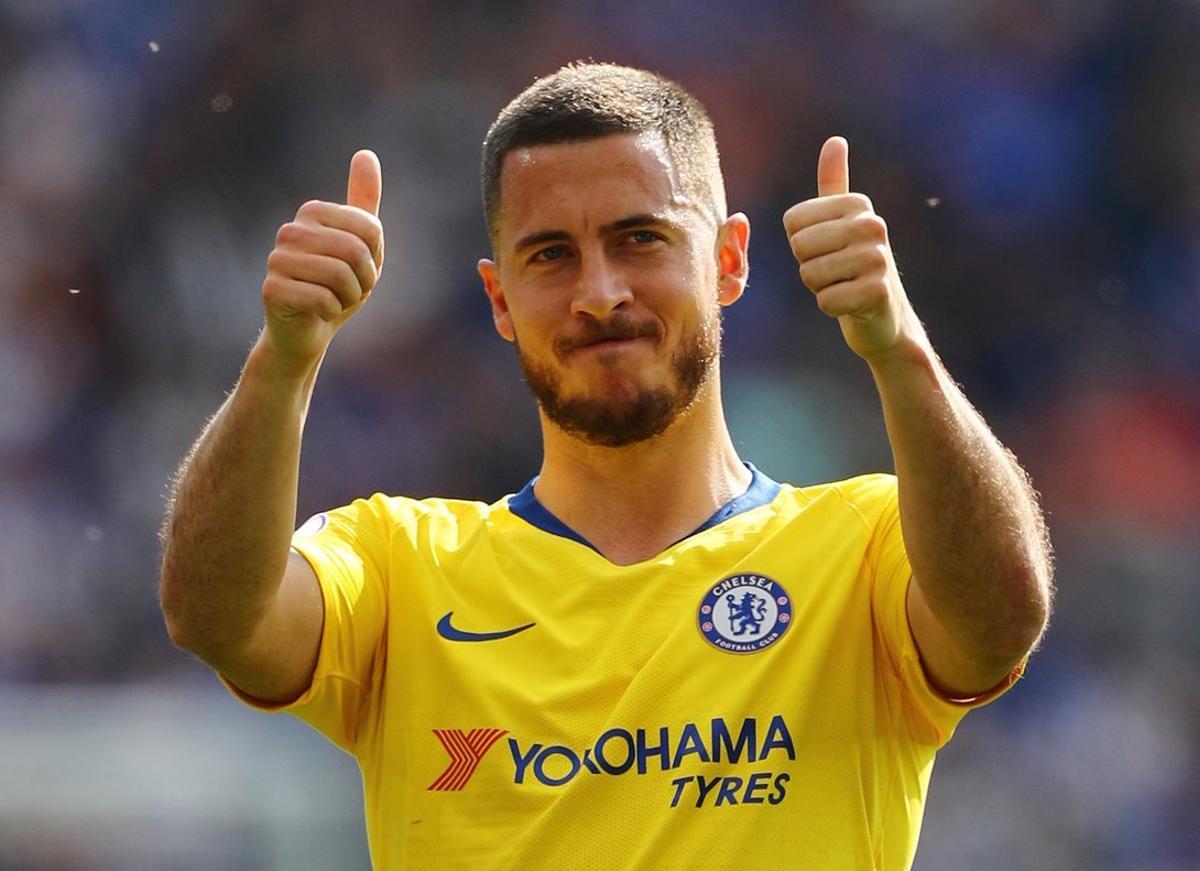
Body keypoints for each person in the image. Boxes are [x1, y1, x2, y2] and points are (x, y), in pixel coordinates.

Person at [160, 62, 1053, 870]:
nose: (599, 293)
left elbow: (1001, 615)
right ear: (500, 299)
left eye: (640, 239)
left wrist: (900, 349)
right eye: (551, 255)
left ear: (729, 260)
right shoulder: (400, 567)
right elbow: (215, 614)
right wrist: (283, 362)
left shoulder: (862, 547)